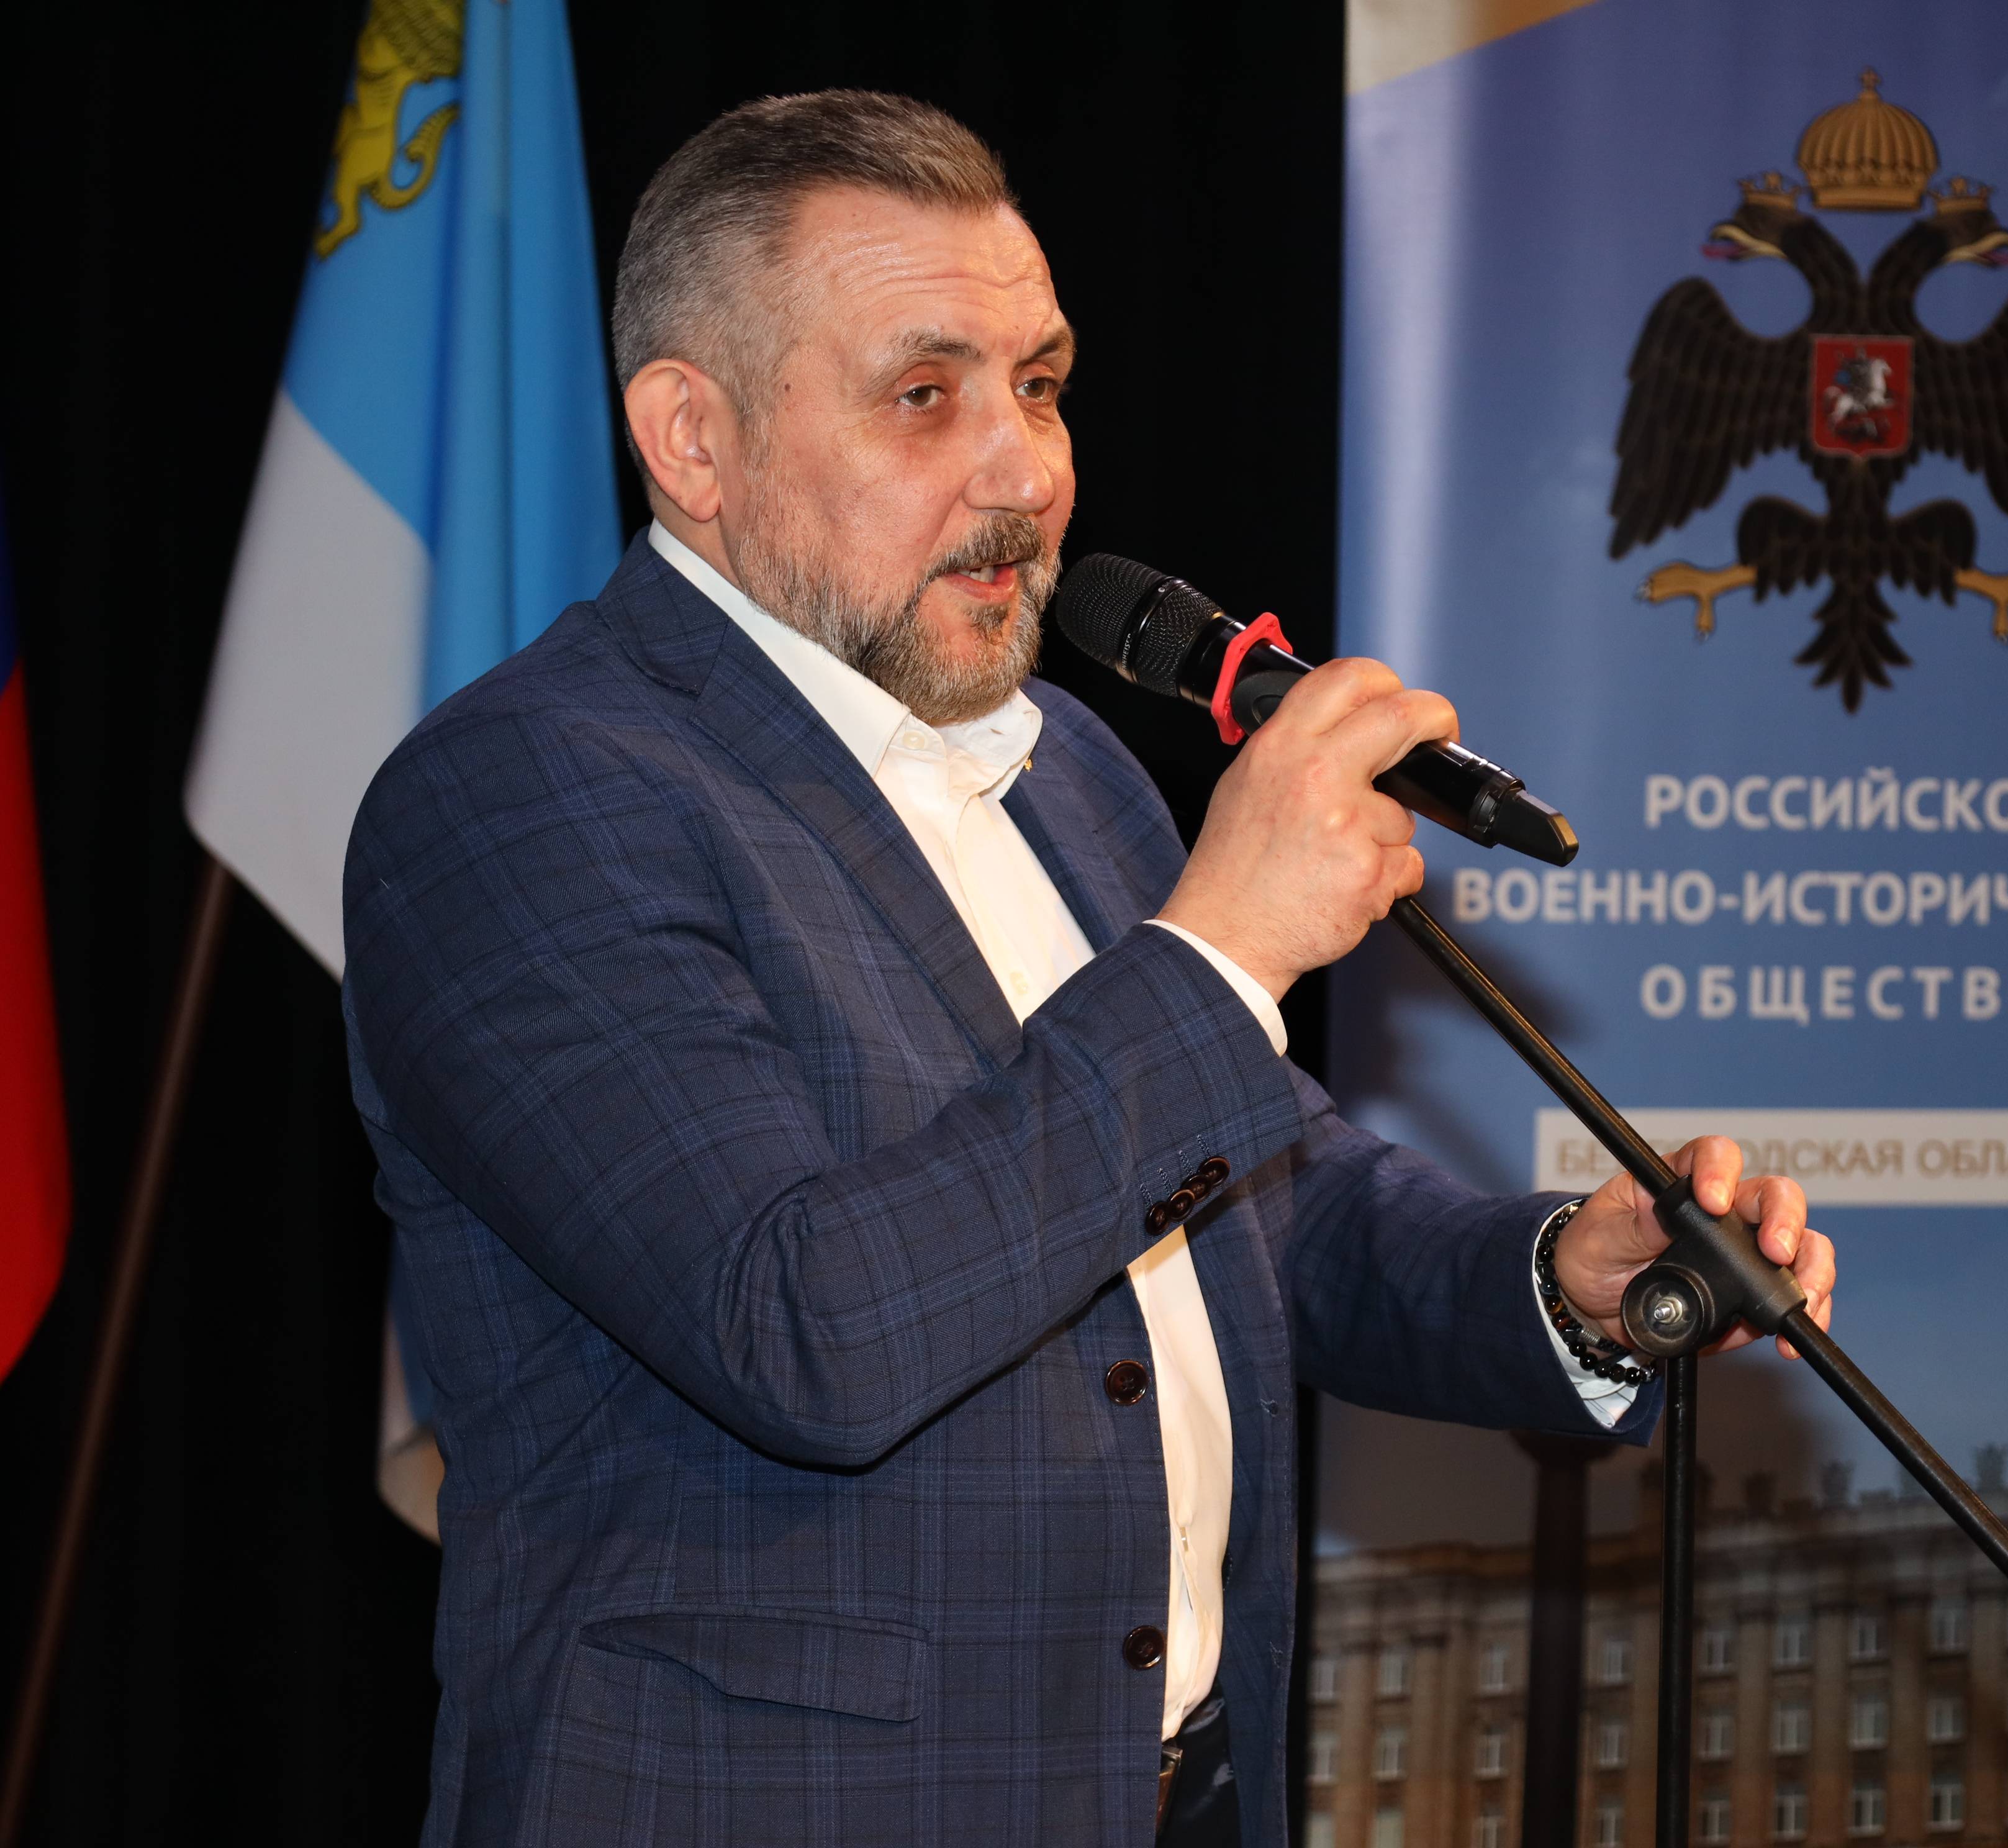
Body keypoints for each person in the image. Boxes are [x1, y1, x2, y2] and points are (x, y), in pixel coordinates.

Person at [342, 91, 1834, 1848]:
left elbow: (1266, 1208)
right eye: (927, 395)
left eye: (1040, 385)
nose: (1027, 473)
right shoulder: (528, 794)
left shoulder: (1068, 767)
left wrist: (1565, 1284)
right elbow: (802, 1327)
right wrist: (1222, 951)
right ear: (693, 437)